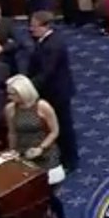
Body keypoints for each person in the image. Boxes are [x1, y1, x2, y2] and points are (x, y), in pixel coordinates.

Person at [4, 75, 69, 218]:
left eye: (12, 93)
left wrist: (41, 148)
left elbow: (54, 131)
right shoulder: (10, 109)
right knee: (26, 191)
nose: (9, 97)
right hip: (23, 153)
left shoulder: (42, 106)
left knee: (47, 193)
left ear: (23, 92)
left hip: (45, 152)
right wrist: (12, 151)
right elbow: (12, 132)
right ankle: (37, 217)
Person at [27, 11, 79, 171]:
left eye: (34, 26)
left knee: (63, 125)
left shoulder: (53, 45)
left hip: (57, 92)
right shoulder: (44, 40)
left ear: (46, 26)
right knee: (55, 124)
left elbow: (46, 72)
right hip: (50, 90)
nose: (31, 29)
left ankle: (70, 160)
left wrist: (27, 86)